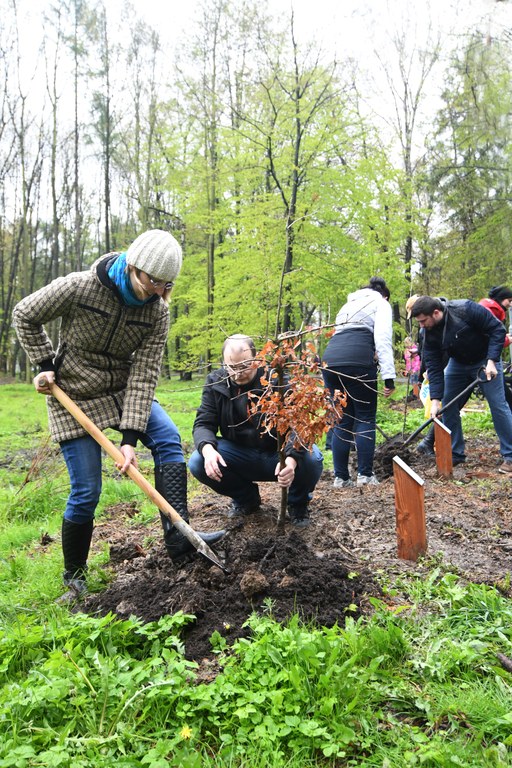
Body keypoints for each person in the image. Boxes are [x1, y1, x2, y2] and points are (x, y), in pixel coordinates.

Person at [13, 229, 224, 596]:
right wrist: (46, 364)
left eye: (165, 285)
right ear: (134, 266)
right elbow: (25, 314)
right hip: (74, 393)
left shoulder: (157, 312)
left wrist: (129, 438)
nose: (157, 291)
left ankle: (180, 539)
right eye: (153, 281)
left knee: (168, 438)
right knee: (87, 490)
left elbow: (144, 374)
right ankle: (75, 577)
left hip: (123, 388)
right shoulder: (79, 287)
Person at [188, 334, 324, 528]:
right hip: (238, 455)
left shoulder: (277, 379)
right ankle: (246, 499)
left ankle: (298, 505)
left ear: (257, 358)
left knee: (312, 458)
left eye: (244, 366)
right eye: (231, 367)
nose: (238, 373)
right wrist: (208, 451)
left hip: (278, 455)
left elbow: (299, 426)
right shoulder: (215, 382)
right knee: (198, 460)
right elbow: (203, 423)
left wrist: (291, 460)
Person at [410, 295, 512, 472]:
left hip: (485, 360)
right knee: (447, 405)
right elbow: (434, 367)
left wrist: (492, 360)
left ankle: (510, 455)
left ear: (436, 313)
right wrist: (435, 400)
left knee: (498, 405)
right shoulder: (428, 333)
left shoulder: (465, 309)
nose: (421, 326)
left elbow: (497, 330)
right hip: (457, 363)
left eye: (423, 321)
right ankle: (455, 453)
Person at [322, 276, 396, 487]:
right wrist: (389, 378)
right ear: (385, 295)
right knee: (365, 417)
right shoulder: (381, 303)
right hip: (358, 361)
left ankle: (341, 478)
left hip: (331, 361)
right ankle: (365, 475)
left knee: (342, 419)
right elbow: (382, 338)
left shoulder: (348, 305)